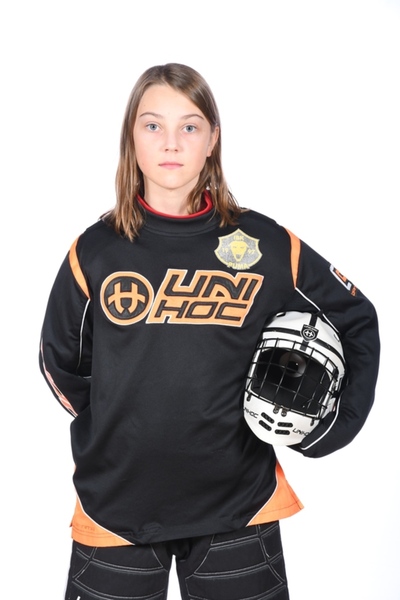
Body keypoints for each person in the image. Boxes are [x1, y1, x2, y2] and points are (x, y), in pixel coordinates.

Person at [39, 63, 380, 600]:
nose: (171, 143)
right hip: (116, 508)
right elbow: (59, 361)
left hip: (238, 508)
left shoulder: (266, 245)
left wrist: (334, 427)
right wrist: (125, 422)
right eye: (153, 125)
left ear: (213, 139)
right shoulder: (96, 251)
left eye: (190, 126)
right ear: (132, 136)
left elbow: (357, 317)